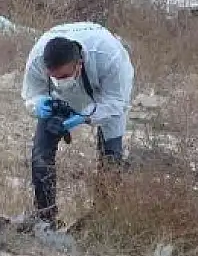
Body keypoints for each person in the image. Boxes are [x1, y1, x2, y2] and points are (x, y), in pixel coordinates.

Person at [20, 22, 134, 226]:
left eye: (63, 76)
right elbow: (31, 93)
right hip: (57, 99)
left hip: (102, 93)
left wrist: (85, 116)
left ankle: (103, 218)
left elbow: (117, 102)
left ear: (79, 63)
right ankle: (45, 217)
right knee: (40, 154)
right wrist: (38, 105)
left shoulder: (109, 57)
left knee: (111, 157)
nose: (58, 80)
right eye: (53, 77)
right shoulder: (37, 59)